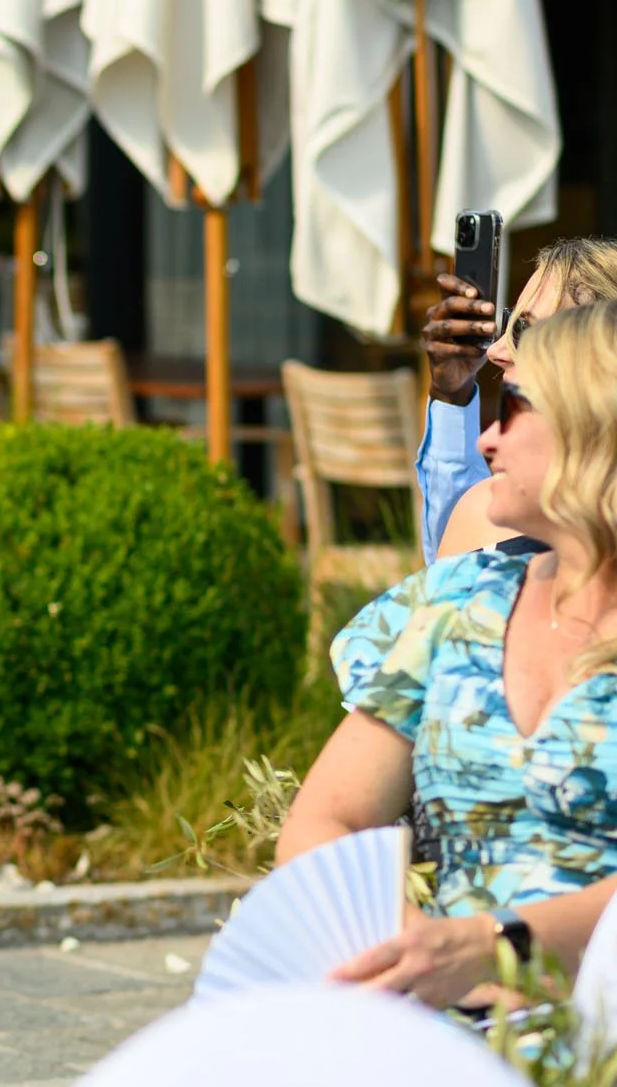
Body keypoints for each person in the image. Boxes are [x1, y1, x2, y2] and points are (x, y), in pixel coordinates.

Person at [278, 300, 617, 1008]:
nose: (487, 438)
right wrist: (400, 939)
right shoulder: (460, 600)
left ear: (592, 428)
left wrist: (492, 947)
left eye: (514, 408)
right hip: (450, 1037)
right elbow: (323, 817)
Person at [418, 237, 617, 562]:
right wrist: (451, 397)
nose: (495, 352)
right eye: (509, 322)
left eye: (524, 330)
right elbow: (446, 585)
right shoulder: (490, 509)